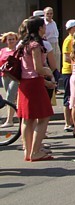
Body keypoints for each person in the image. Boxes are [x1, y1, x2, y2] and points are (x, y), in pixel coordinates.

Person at [17, 17, 55, 161]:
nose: (45, 28)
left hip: (25, 83)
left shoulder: (23, 44)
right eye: (43, 26)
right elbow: (38, 68)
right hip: (34, 83)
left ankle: (27, 152)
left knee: (27, 119)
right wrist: (48, 72)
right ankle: (35, 151)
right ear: (39, 28)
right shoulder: (35, 45)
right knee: (44, 117)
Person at [1, 32, 20, 127]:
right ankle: (20, 116)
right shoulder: (2, 51)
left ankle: (9, 120)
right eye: (9, 39)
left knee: (9, 96)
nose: (12, 41)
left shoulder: (18, 50)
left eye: (13, 39)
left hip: (15, 76)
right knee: (14, 98)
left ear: (16, 40)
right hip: (4, 76)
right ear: (6, 41)